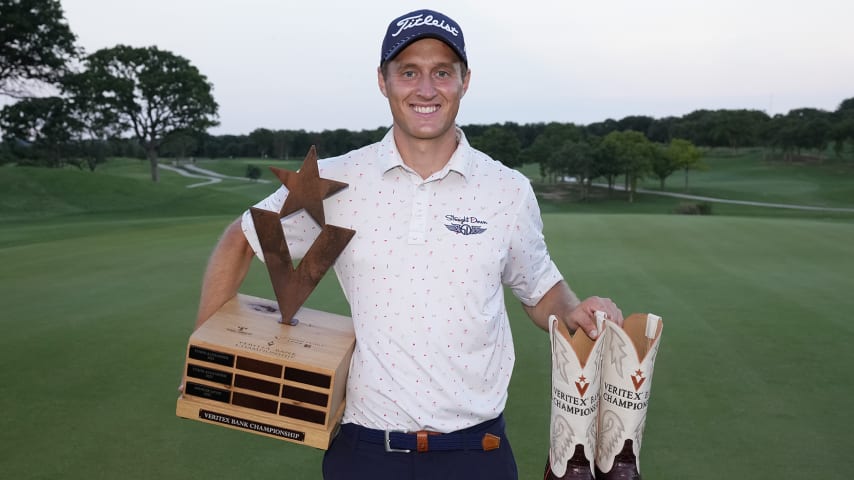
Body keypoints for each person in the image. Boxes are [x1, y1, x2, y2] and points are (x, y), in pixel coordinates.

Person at [192, 8, 623, 480]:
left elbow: (540, 292)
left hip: (477, 451)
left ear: (464, 81)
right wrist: (207, 351)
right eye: (408, 72)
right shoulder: (334, 180)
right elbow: (242, 238)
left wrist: (576, 312)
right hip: (365, 450)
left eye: (442, 72)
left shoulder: (508, 190)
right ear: (383, 81)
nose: (425, 89)